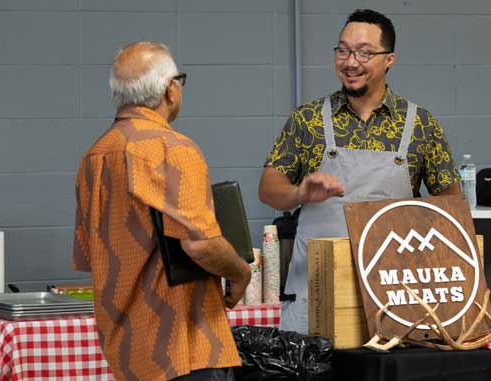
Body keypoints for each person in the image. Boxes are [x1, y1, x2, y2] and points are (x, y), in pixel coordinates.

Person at [258, 9, 462, 334]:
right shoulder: (307, 120)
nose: (351, 62)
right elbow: (268, 188)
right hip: (317, 296)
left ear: (389, 59)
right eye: (343, 50)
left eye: (364, 53)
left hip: (395, 299)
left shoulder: (420, 125)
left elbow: (452, 210)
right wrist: (298, 193)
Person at [72, 41, 250, 381]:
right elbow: (199, 244)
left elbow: (87, 256)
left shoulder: (93, 157)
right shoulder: (173, 147)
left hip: (126, 352)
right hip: (185, 350)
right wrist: (241, 273)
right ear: (171, 90)